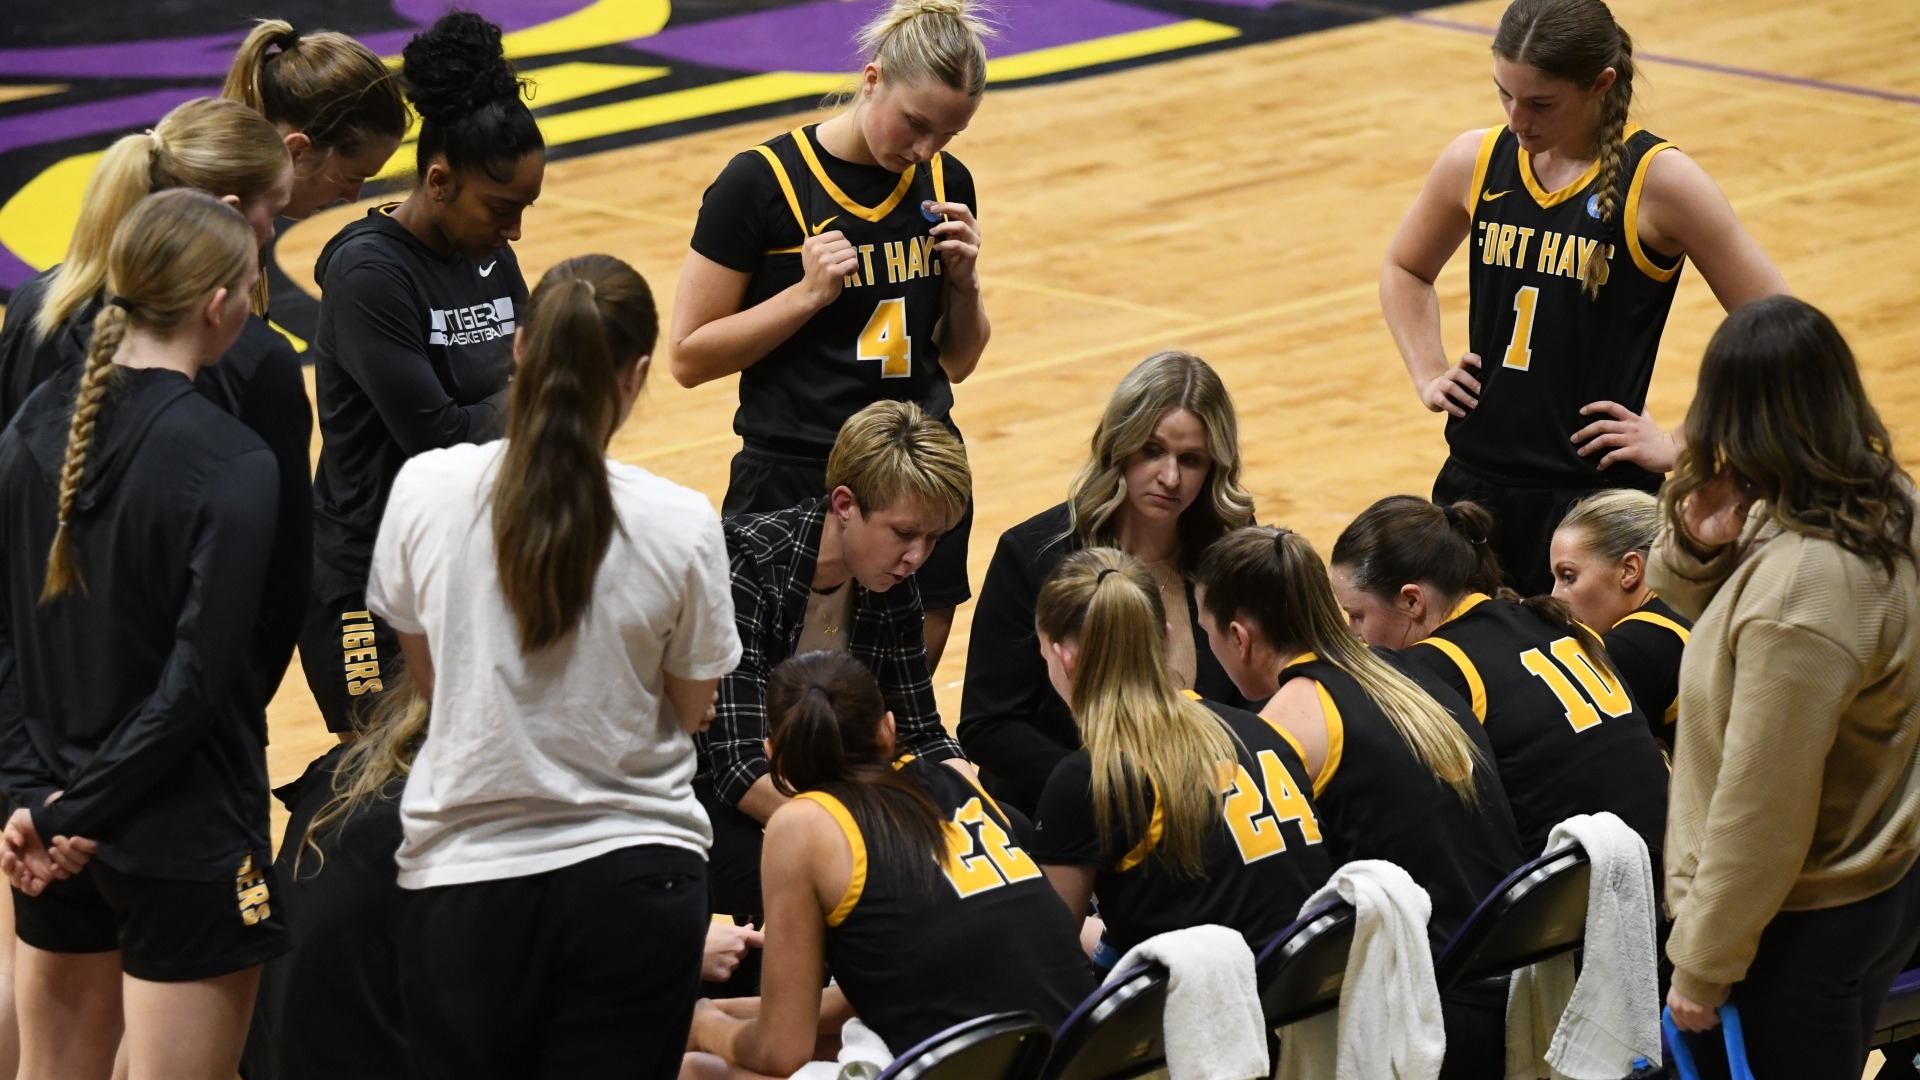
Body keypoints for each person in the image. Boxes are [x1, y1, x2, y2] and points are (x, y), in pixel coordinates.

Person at [365, 253, 740, 1078]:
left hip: (466, 887)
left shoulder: (423, 488)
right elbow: (688, 710)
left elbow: (432, 685)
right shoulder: (681, 522)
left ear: (520, 348)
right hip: (639, 882)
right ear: (638, 374)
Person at [0, 189, 284, 1080]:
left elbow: (7, 643)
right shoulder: (235, 462)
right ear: (218, 305)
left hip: (51, 829)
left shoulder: (29, 429)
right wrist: (74, 811)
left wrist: (34, 802)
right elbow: (195, 685)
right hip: (183, 835)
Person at [1378, 0, 1787, 595]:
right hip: (1473, 484)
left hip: (1592, 506)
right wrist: (1427, 369)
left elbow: (1780, 327)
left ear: (1601, 85)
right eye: (1504, 96)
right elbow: (1404, 266)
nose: (1518, 119)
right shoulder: (1476, 159)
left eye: (1540, 103)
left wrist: (1686, 442)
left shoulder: (1660, 180)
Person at [671, 0, 994, 670]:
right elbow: (688, 356)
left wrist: (965, 282)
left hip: (921, 470)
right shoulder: (759, 183)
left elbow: (958, 361)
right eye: (915, 123)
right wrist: (804, 297)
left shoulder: (943, 184)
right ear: (871, 79)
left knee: (895, 705)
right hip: (798, 473)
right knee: (781, 699)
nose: (926, 149)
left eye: (947, 134)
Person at [1650, 297, 1920, 1080]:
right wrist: (1699, 541)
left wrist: (1704, 962)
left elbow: (1763, 806)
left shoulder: (1803, 593)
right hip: (1876, 886)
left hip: (1793, 928)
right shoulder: (1879, 505)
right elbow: (1722, 608)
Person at [1196, 526, 1527, 1079]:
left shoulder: (1286, 723)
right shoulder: (1407, 668)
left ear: (1239, 636)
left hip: (1432, 1007)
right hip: (1510, 970)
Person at [682, 652, 1093, 1078]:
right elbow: (856, 1001)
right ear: (889, 730)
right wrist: (716, 1010)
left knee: (696, 1068)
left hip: (993, 1061)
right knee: (831, 1040)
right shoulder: (952, 781)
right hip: (1089, 1054)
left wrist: (705, 1025)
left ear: (772, 755)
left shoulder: (800, 824)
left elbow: (780, 1050)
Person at [304, 8, 544, 737]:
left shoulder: (490, 252)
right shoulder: (369, 274)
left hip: (468, 561)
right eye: (503, 207)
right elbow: (440, 437)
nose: (517, 231)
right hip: (368, 581)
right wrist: (545, 391)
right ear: (438, 180)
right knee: (381, 789)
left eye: (527, 208)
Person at [702, 400, 973, 925]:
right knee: (877, 892)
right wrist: (869, 842)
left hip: (825, 796)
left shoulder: (893, 584)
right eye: (903, 533)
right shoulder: (746, 567)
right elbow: (737, 767)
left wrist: (981, 817)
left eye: (933, 539)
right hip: (713, 807)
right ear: (845, 504)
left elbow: (922, 734)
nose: (917, 557)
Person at [959, 351, 1257, 814]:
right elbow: (990, 726)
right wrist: (1112, 796)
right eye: (1153, 451)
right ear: (1120, 444)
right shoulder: (1033, 555)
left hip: (1206, 810)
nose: (1171, 477)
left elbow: (1258, 697)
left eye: (1192, 459)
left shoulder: (1232, 555)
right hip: (1071, 818)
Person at [1027, 549, 1334, 964]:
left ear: (1062, 658)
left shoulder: (1091, 778)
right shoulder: (1263, 731)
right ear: (1167, 637)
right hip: (1315, 987)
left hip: (1222, 1014)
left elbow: (1045, 952)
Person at [1329, 495, 1669, 864]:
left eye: (1357, 615)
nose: (1354, 634)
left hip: (1590, 890)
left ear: (1413, 601)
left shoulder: (1429, 668)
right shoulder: (1547, 620)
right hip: (1668, 859)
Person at [222, 18, 408, 222]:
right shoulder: (213, 237)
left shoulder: (223, 211)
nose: (352, 197)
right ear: (297, 151)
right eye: (352, 178)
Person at [1549, 488, 1690, 749]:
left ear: (1629, 570)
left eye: (1569, 577)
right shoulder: (1690, 601)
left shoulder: (1633, 648)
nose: (1554, 596)